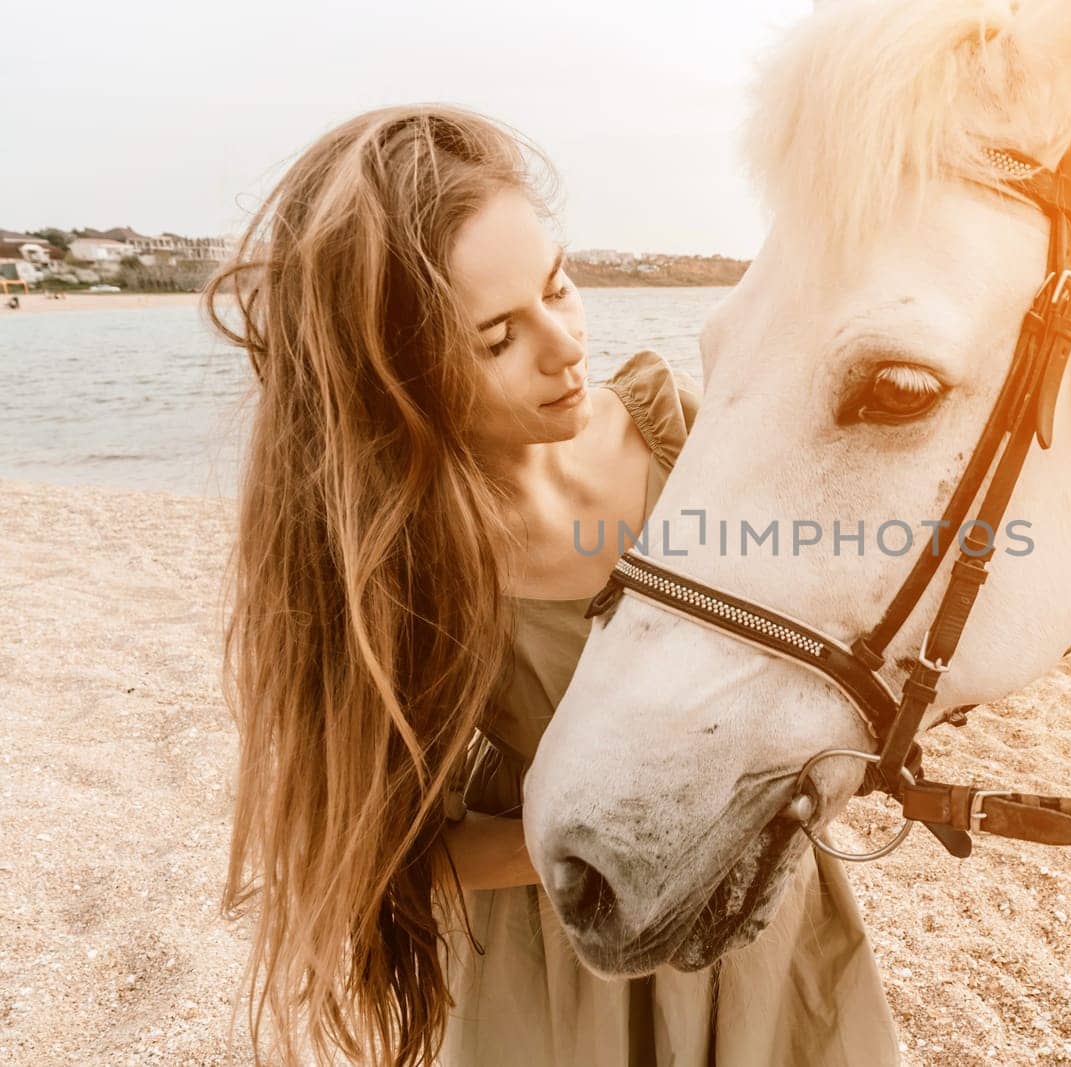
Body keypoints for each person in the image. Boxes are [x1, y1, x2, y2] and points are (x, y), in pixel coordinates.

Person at [205, 104, 898, 1067]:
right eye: (496, 339)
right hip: (569, 976)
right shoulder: (400, 570)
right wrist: (612, 833)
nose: (566, 345)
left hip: (762, 935)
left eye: (559, 286)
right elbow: (380, 867)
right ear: (397, 378)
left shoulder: (681, 434)